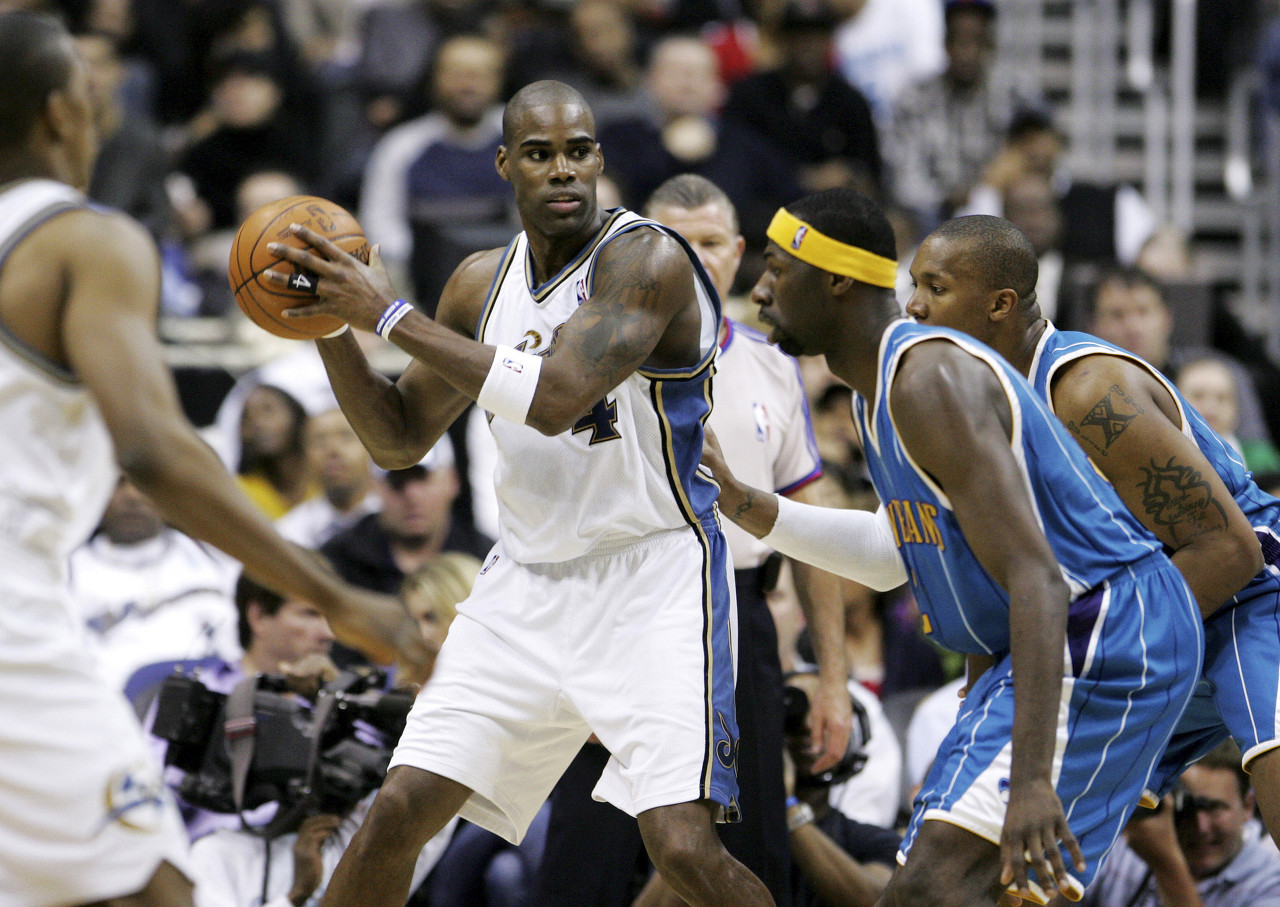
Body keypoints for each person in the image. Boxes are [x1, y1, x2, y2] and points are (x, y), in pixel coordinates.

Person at [262, 79, 774, 907]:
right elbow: (398, 437)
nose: (563, 169)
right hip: (526, 580)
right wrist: (327, 323)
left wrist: (386, 314)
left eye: (578, 151)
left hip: (651, 575)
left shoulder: (646, 260)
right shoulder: (477, 284)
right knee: (397, 809)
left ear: (599, 160)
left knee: (681, 845)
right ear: (506, 165)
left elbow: (557, 395)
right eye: (540, 154)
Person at [0, 12, 427, 907]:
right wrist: (339, 596)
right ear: (57, 113)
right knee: (157, 885)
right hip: (13, 610)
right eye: (91, 95)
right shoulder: (86, 239)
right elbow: (154, 451)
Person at [703, 187, 1206, 905]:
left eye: (779, 270)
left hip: (1104, 628)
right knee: (963, 890)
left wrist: (1030, 780)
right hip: (1052, 639)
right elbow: (891, 552)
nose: (760, 289)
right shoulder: (875, 391)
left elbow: (1037, 577)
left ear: (837, 281)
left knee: (931, 889)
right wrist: (746, 504)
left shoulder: (927, 377)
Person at [903, 215, 1280, 849]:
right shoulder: (978, 404)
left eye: (935, 288)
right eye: (914, 284)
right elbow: (1002, 570)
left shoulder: (1084, 392)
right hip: (1160, 610)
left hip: (1253, 591)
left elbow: (1228, 549)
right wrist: (987, 691)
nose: (913, 305)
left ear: (1000, 304)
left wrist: (1080, 658)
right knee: (1011, 825)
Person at [529, 173, 852, 907]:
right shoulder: (584, 358)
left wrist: (831, 679)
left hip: (741, 617)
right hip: (616, 615)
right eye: (676, 242)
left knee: (746, 857)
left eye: (710, 242)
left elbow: (808, 534)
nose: (696, 258)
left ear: (737, 252)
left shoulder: (774, 362)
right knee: (589, 862)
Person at [69, 475, 241, 691]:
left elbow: (238, 659)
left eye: (145, 481)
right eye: (120, 483)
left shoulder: (213, 562)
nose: (132, 495)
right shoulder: (66, 573)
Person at [1075, 740, 1280, 906]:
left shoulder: (1270, 882)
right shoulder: (1130, 843)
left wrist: (1165, 863)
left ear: (1248, 806)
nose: (1201, 827)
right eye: (1187, 807)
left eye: (1214, 808)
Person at [277, 407, 382, 549]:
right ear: (304, 455)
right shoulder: (289, 534)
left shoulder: (399, 518)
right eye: (319, 441)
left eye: (346, 436)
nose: (333, 450)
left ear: (371, 447)